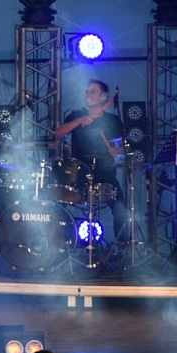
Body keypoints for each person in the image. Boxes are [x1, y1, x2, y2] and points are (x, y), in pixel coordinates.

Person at [54, 79, 128, 242]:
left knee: (121, 208)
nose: (88, 94)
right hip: (78, 173)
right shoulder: (75, 115)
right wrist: (81, 121)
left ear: (103, 97)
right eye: (87, 91)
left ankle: (123, 247)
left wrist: (117, 150)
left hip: (105, 173)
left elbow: (125, 145)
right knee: (58, 204)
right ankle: (63, 243)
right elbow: (59, 133)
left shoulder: (113, 120)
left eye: (92, 91)